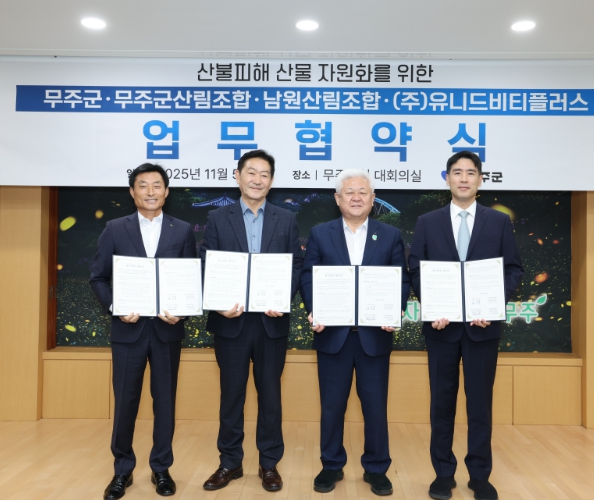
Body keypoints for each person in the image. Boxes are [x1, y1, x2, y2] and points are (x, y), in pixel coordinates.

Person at [408, 151, 524, 500]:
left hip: (482, 328)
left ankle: (479, 475)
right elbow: (416, 269)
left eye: (470, 173)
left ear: (480, 180)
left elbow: (513, 269)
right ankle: (443, 474)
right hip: (441, 329)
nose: (463, 178)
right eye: (456, 172)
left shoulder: (498, 222)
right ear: (446, 179)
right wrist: (432, 305)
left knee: (480, 405)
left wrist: (492, 305)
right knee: (441, 404)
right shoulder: (428, 221)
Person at [299, 169, 410, 496]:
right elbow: (308, 276)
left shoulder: (389, 234)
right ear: (338, 199)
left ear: (373, 199)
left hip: (374, 336)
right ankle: (331, 464)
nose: (357, 197)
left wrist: (394, 310)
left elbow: (401, 278)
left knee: (375, 407)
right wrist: (314, 308)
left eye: (363, 192)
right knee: (332, 406)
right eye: (350, 192)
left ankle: (376, 468)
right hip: (332, 335)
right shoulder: (321, 233)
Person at [90, 163, 197, 499]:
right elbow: (98, 277)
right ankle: (122, 470)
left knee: (165, 402)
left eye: (157, 185)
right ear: (132, 191)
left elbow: (191, 278)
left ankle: (161, 468)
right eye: (143, 185)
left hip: (167, 332)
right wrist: (116, 307)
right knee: (125, 403)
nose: (150, 192)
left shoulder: (182, 230)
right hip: (128, 332)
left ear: (167, 191)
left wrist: (182, 312)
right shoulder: (115, 228)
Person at [199, 149, 303, 492]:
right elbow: (207, 264)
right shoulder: (218, 218)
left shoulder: (286, 219)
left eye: (265, 174)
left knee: (270, 396)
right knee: (231, 396)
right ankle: (230, 462)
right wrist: (217, 304)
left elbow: (295, 265)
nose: (257, 180)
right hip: (231, 321)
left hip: (271, 323)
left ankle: (269, 464)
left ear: (271, 181)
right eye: (251, 172)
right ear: (238, 176)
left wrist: (281, 299)